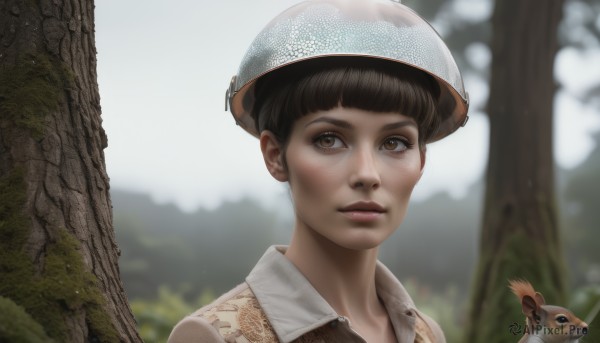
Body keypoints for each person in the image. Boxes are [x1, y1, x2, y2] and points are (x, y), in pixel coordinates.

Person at [168, 0, 469, 342]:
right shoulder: (214, 336)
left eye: (395, 143)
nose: (367, 174)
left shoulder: (427, 335)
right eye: (329, 139)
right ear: (275, 155)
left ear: (422, 162)